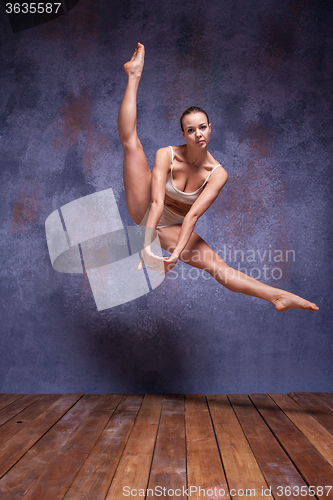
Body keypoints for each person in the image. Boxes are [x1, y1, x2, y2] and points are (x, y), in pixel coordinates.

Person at [117, 43, 319, 312]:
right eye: (191, 130)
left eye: (202, 127)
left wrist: (175, 255)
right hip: (146, 207)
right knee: (132, 145)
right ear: (184, 135)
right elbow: (155, 204)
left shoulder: (218, 173)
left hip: (173, 226)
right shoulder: (166, 154)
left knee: (217, 265)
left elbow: (192, 216)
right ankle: (134, 76)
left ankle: (276, 296)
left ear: (210, 129)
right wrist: (146, 244)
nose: (198, 134)